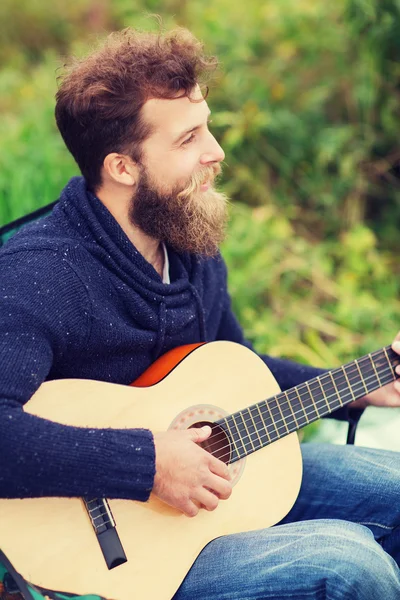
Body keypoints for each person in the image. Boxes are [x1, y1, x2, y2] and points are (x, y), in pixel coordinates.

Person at [0, 26, 399, 600]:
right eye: (189, 139)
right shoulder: (40, 275)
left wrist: (368, 384)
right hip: (114, 554)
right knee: (350, 565)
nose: (215, 152)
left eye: (206, 126)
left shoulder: (186, 237)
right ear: (123, 167)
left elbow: (235, 373)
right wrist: (147, 461)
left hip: (212, 496)